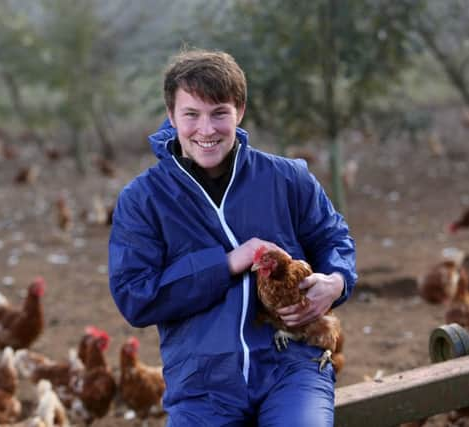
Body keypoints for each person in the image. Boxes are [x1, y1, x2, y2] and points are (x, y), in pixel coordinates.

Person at [108, 49, 356, 427]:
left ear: (239, 111)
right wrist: (225, 263)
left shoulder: (287, 178)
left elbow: (334, 239)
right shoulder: (143, 200)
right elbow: (135, 296)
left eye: (219, 113)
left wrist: (335, 282)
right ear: (172, 116)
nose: (206, 129)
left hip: (292, 365)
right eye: (191, 114)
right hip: (200, 386)